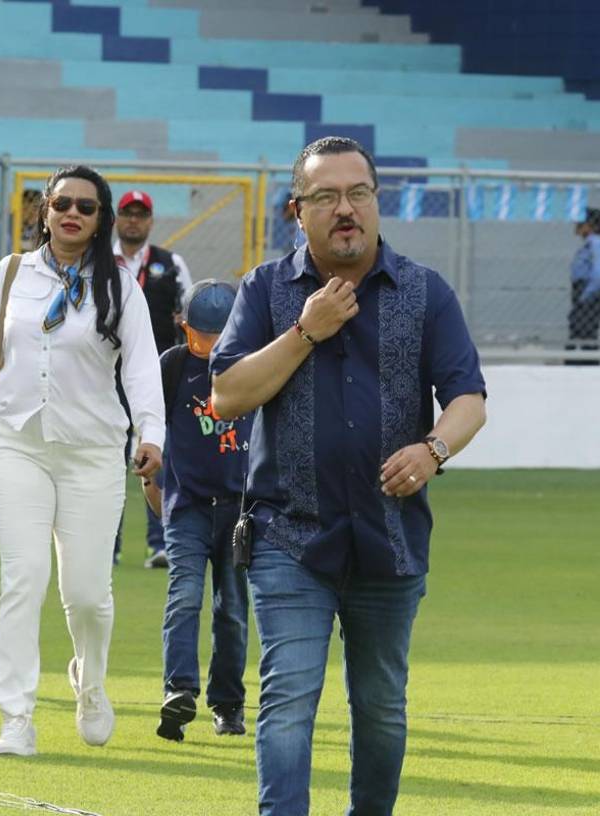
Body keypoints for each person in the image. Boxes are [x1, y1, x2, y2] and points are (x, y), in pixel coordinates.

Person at [210, 137, 487, 816]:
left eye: (358, 193)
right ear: (296, 211)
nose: (345, 209)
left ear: (376, 203)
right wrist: (306, 332)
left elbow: (468, 400)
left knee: (383, 710)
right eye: (326, 197)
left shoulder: (425, 292)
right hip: (287, 537)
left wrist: (432, 450)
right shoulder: (267, 290)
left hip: (390, 540)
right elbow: (226, 396)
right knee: (287, 701)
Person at [0, 165, 164, 757]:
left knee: (87, 593)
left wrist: (151, 435)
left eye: (86, 206)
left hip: (92, 453)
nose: (72, 214)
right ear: (45, 212)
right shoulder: (11, 275)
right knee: (22, 579)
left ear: (101, 218)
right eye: (61, 204)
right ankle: (16, 717)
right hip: (16, 445)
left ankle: (90, 681)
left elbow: (141, 368)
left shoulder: (121, 287)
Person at [140, 279, 253, 744]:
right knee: (184, 595)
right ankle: (178, 690)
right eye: (199, 338)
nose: (207, 348)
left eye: (217, 338)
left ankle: (227, 704)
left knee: (232, 611)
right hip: (186, 507)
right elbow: (150, 433)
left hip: (240, 512)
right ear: (183, 328)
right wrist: (156, 493)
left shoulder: (254, 366)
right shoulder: (173, 368)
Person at [113, 189, 195, 569]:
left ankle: (160, 543)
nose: (133, 220)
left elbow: (189, 311)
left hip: (157, 373)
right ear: (116, 218)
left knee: (155, 452)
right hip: (106, 373)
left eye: (140, 214)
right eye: (127, 213)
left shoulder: (171, 263)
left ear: (150, 220)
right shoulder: (101, 262)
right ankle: (106, 546)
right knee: (109, 458)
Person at [566, 207, 600, 365]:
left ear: (591, 225)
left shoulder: (595, 242)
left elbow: (598, 273)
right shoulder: (589, 244)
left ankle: (580, 363)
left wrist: (585, 296)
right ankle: (578, 362)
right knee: (578, 330)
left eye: (582, 223)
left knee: (583, 332)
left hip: (588, 293)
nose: (577, 226)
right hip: (583, 292)